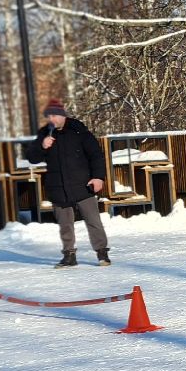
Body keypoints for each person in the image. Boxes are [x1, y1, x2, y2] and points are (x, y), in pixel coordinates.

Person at [25, 98, 112, 267]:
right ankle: (69, 255)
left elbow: (96, 155)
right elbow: (32, 158)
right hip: (58, 187)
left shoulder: (78, 131)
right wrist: (42, 146)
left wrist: (98, 177)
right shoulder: (45, 134)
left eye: (55, 115)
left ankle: (102, 253)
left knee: (93, 221)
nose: (52, 119)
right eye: (49, 116)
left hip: (83, 185)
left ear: (63, 115)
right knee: (65, 225)